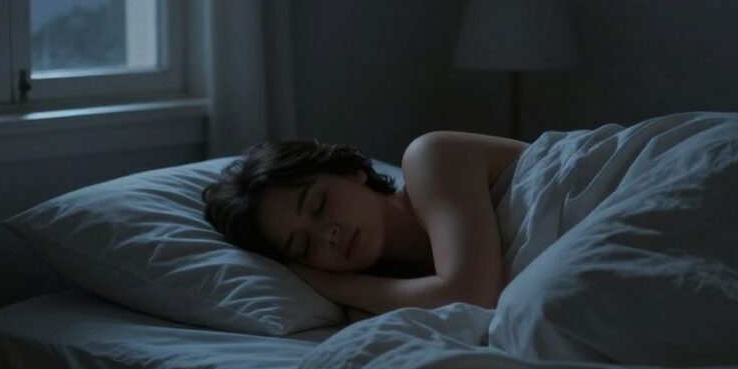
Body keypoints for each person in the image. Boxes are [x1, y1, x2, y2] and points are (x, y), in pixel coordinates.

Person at [203, 131, 527, 322]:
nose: (327, 235)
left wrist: (336, 285)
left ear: (349, 171)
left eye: (319, 204)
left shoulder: (430, 157)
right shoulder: (385, 300)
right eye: (304, 246)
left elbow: (471, 296)